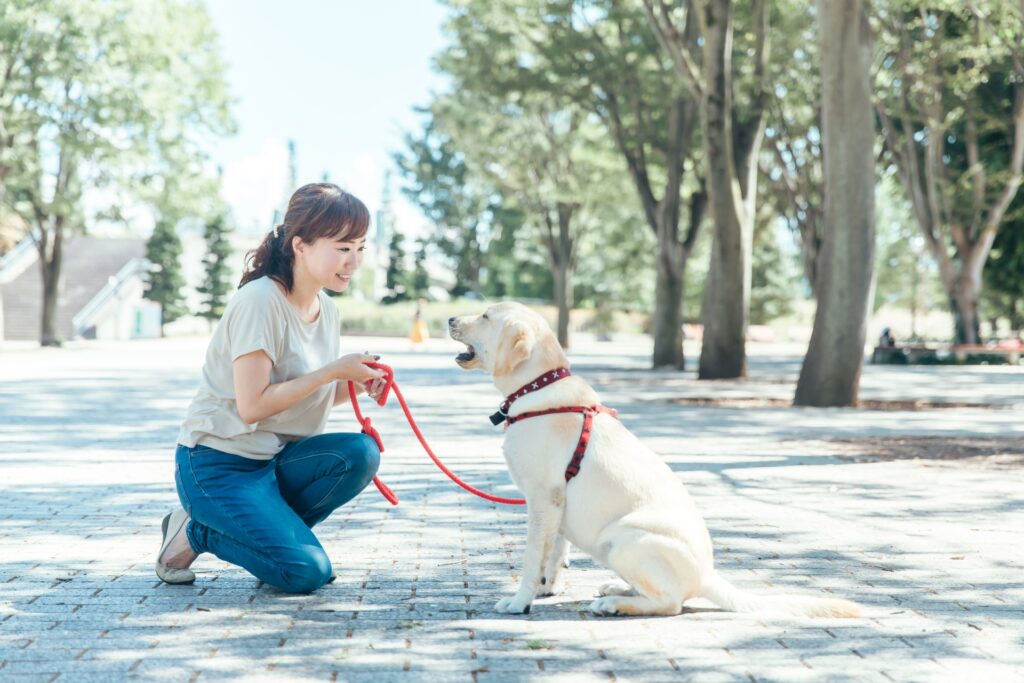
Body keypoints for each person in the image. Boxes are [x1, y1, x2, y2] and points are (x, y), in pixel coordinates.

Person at [155, 183, 388, 594]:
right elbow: (253, 406)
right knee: (306, 573)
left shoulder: (327, 310)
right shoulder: (260, 300)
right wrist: (332, 372)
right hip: (218, 464)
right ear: (301, 245)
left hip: (274, 461)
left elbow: (305, 395)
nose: (353, 261)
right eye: (342, 247)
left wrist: (355, 382)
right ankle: (197, 530)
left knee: (360, 452)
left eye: (360, 248)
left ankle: (271, 542)